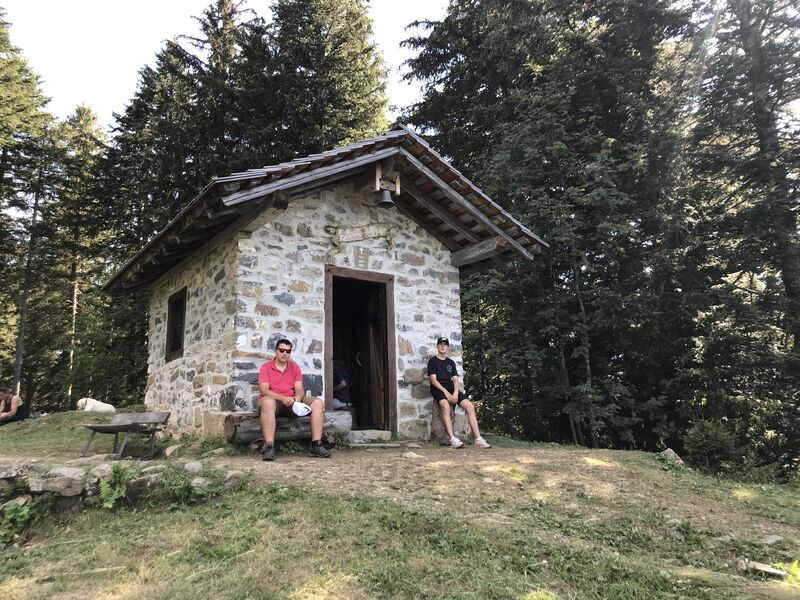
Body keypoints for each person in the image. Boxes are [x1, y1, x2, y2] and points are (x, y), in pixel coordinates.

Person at [257, 339, 331, 461]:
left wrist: (297, 398)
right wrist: (282, 398)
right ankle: (269, 447)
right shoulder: (266, 367)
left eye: (288, 351)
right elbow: (263, 390)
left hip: (291, 402)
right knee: (268, 402)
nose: (284, 353)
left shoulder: (294, 367)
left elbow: (300, 389)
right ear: (276, 351)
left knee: (317, 403)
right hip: (274, 401)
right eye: (281, 350)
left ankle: (316, 445)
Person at [427, 337, 491, 449]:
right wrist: (446, 393)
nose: (442, 346)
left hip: (451, 388)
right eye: (440, 344)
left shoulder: (450, 363)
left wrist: (456, 393)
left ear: (447, 347)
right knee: (445, 406)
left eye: (445, 344)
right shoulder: (433, 361)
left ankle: (478, 439)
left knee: (470, 407)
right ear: (437, 346)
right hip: (438, 388)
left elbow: (455, 380)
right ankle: (453, 439)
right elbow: (433, 380)